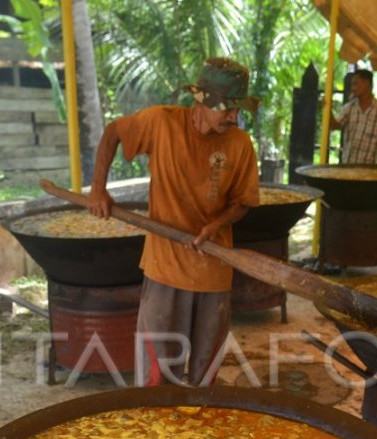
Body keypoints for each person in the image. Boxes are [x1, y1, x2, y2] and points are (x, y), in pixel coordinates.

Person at [87, 57, 260, 387]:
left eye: (238, 109)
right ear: (203, 100)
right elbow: (113, 134)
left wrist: (217, 224)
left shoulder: (240, 144)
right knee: (157, 376)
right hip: (165, 269)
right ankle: (157, 435)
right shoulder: (161, 124)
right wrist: (98, 189)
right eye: (227, 108)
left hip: (214, 272)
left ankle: (194, 435)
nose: (234, 116)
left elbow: (242, 203)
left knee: (203, 377)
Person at [330, 68, 377, 165]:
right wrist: (328, 109)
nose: (352, 88)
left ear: (367, 83)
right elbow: (334, 126)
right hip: (348, 167)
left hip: (368, 168)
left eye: (356, 84)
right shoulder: (349, 108)